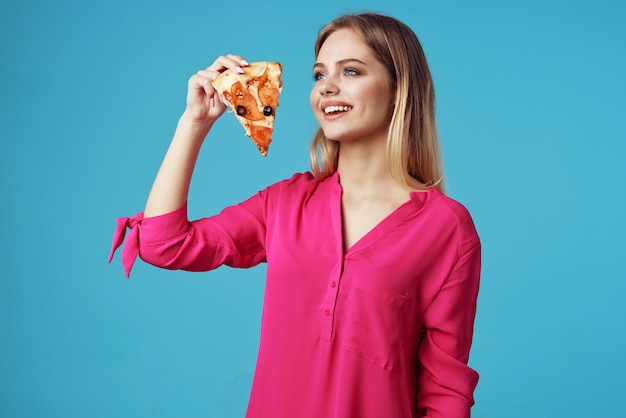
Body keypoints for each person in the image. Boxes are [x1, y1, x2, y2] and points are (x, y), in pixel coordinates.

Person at [109, 11, 481, 418]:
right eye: (319, 75)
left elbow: (445, 390)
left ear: (398, 89)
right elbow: (164, 244)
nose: (328, 88)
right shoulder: (285, 204)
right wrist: (193, 123)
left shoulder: (446, 229)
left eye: (351, 71)